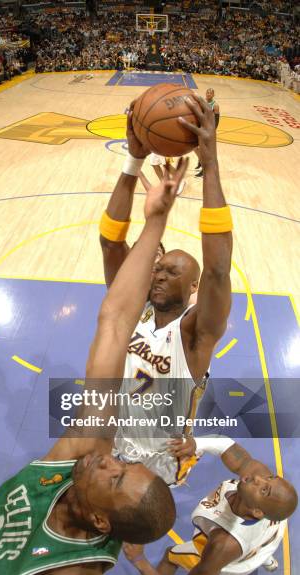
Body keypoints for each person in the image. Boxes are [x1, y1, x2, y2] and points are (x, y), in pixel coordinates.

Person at [0, 161, 187, 575]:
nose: (109, 462)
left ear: (99, 521)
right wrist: (156, 220)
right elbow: (113, 323)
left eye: (115, 478)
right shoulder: (85, 450)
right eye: (124, 468)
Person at [99, 94, 232, 487]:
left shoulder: (195, 335)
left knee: (144, 523)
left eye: (170, 271)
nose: (157, 274)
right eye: (157, 268)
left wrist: (210, 163)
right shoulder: (133, 311)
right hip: (114, 440)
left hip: (160, 459)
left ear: (193, 287)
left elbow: (219, 271)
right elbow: (110, 243)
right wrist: (132, 161)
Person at [125, 436, 298, 575]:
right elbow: (225, 446)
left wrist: (139, 559)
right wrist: (196, 444)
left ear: (257, 512)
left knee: (171, 556)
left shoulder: (223, 544)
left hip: (235, 561)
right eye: (271, 477)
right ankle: (265, 559)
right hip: (267, 541)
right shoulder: (265, 493)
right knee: (259, 541)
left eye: (264, 489)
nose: (259, 478)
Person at [195, 88, 220, 178]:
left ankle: (204, 171)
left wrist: (212, 131)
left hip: (208, 129)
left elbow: (216, 120)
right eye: (207, 92)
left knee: (206, 151)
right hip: (201, 127)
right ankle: (200, 163)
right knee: (196, 148)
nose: (209, 94)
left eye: (211, 93)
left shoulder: (215, 105)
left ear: (213, 95)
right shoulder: (203, 102)